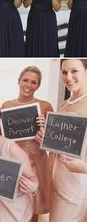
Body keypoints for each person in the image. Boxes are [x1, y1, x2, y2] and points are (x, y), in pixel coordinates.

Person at [36, 59, 87, 221]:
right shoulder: (64, 104)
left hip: (76, 182)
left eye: (74, 71)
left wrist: (84, 168)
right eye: (64, 72)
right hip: (56, 179)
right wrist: (45, 137)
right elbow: (61, 142)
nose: (68, 77)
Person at [2, 66, 53, 222]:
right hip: (13, 160)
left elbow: (53, 140)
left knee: (33, 207)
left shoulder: (45, 106)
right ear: (18, 81)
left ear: (38, 86)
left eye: (33, 82)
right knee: (12, 205)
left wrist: (45, 129)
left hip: (37, 160)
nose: (28, 85)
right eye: (25, 80)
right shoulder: (6, 106)